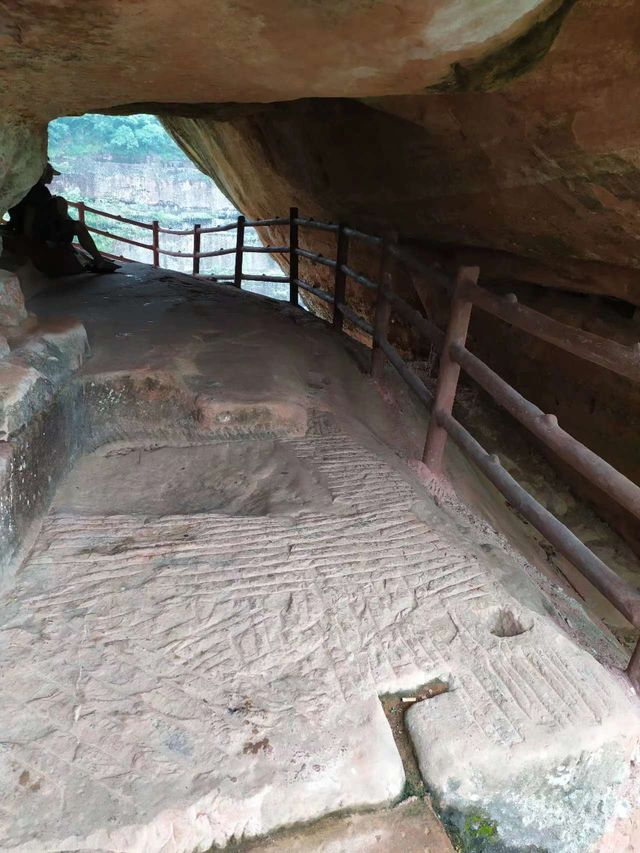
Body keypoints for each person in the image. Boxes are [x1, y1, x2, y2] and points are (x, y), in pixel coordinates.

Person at [7, 163, 117, 273]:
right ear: (43, 175)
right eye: (50, 174)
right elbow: (30, 211)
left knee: (62, 207)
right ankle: (99, 261)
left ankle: (91, 258)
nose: (52, 177)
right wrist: (28, 236)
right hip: (42, 231)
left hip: (40, 228)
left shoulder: (26, 189)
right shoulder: (38, 190)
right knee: (76, 224)